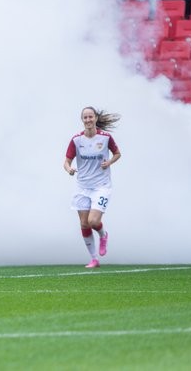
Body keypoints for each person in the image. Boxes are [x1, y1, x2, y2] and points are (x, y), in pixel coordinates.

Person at [63, 107, 121, 269]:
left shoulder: (105, 137)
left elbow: (117, 153)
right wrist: (70, 170)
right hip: (82, 187)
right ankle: (94, 259)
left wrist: (109, 162)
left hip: (101, 186)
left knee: (93, 221)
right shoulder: (76, 140)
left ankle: (103, 235)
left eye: (90, 117)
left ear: (95, 118)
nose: (88, 120)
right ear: (82, 120)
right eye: (85, 117)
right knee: (84, 224)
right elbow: (66, 161)